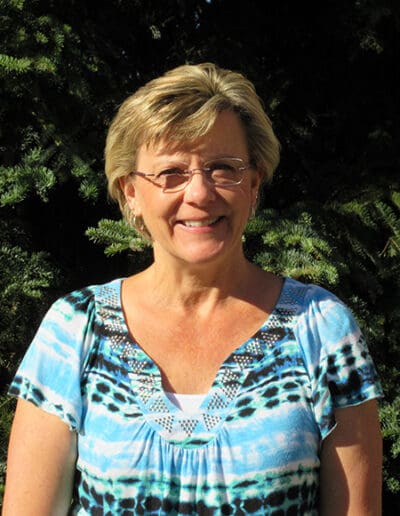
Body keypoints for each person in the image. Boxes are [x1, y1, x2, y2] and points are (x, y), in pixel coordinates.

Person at [2, 62, 383, 516]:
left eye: (223, 168)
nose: (200, 194)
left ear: (253, 184)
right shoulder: (76, 330)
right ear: (130, 193)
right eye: (171, 174)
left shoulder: (320, 330)